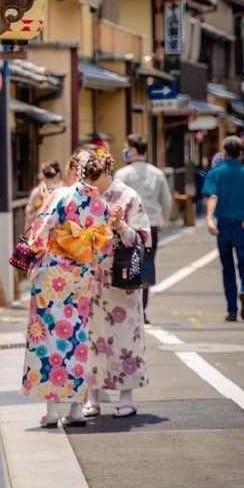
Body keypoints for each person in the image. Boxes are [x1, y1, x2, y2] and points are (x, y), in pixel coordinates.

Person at [21, 149, 113, 428]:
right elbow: (104, 247)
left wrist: (32, 254)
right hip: (81, 279)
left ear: (78, 171)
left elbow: (40, 229)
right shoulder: (102, 207)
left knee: (48, 339)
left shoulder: (61, 196)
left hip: (53, 277)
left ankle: (51, 411)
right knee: (75, 340)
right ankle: (75, 409)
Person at [81, 149, 152, 418]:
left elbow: (144, 239)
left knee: (124, 337)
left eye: (95, 178)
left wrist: (121, 225)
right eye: (88, 178)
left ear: (108, 172)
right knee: (91, 338)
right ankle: (92, 396)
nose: (92, 184)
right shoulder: (84, 196)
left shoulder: (128, 196)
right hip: (91, 278)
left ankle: (126, 396)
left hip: (121, 278)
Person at [115, 133, 172, 322]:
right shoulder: (157, 173)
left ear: (132, 150)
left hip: (126, 227)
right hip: (151, 226)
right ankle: (142, 311)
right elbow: (167, 199)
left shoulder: (123, 174)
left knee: (124, 266)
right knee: (146, 267)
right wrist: (163, 219)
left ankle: (127, 308)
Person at [202, 135, 244, 322]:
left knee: (227, 268)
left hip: (223, 225)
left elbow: (212, 196)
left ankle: (232, 310)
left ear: (224, 152)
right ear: (240, 153)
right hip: (243, 224)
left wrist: (209, 219)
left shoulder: (215, 174)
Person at [24, 160, 66, 231]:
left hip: (40, 231)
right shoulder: (66, 190)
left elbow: (29, 214)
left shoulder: (37, 192)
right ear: (58, 174)